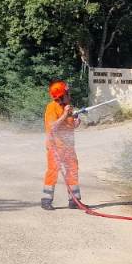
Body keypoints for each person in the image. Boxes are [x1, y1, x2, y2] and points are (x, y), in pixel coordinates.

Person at [42, 80, 82, 210]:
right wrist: (65, 114)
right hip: (55, 146)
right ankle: (46, 200)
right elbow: (52, 126)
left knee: (73, 171)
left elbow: (68, 125)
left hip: (68, 146)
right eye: (67, 92)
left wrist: (76, 123)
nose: (69, 94)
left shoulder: (68, 106)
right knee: (53, 171)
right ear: (60, 96)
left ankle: (74, 201)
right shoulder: (51, 107)